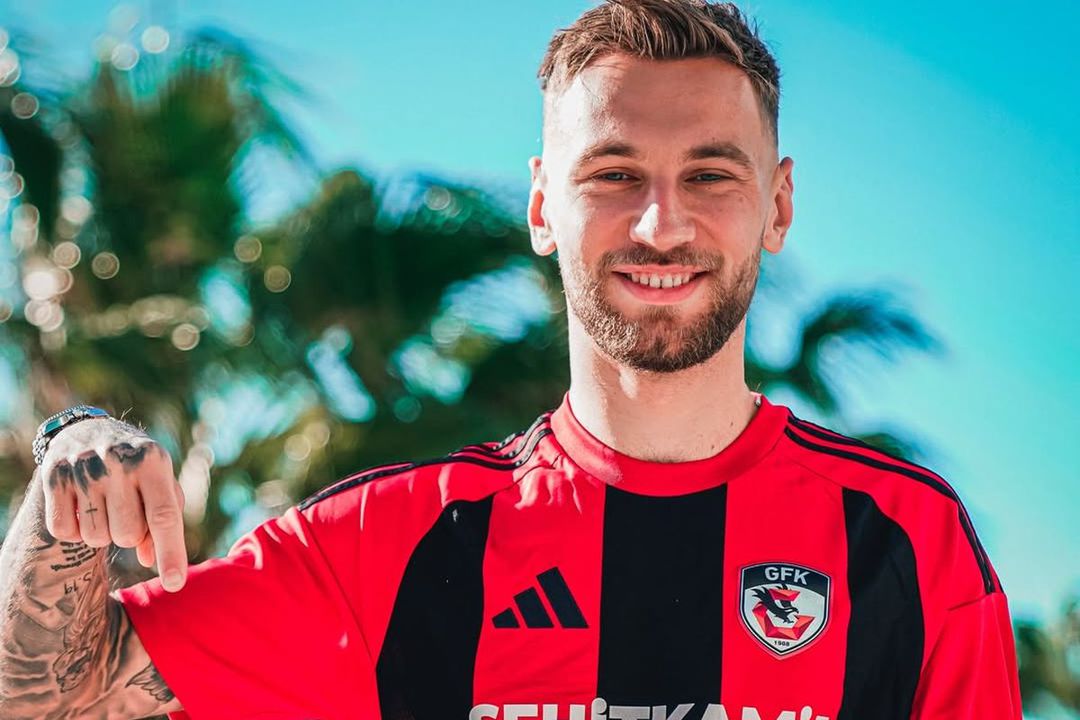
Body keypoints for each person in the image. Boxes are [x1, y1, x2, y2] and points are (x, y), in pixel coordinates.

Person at [0, 1, 1022, 719]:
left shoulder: (909, 547)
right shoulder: (393, 545)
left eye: (711, 175)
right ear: (542, 205)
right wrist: (69, 465)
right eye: (614, 174)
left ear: (779, 204)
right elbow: (49, 697)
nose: (661, 224)